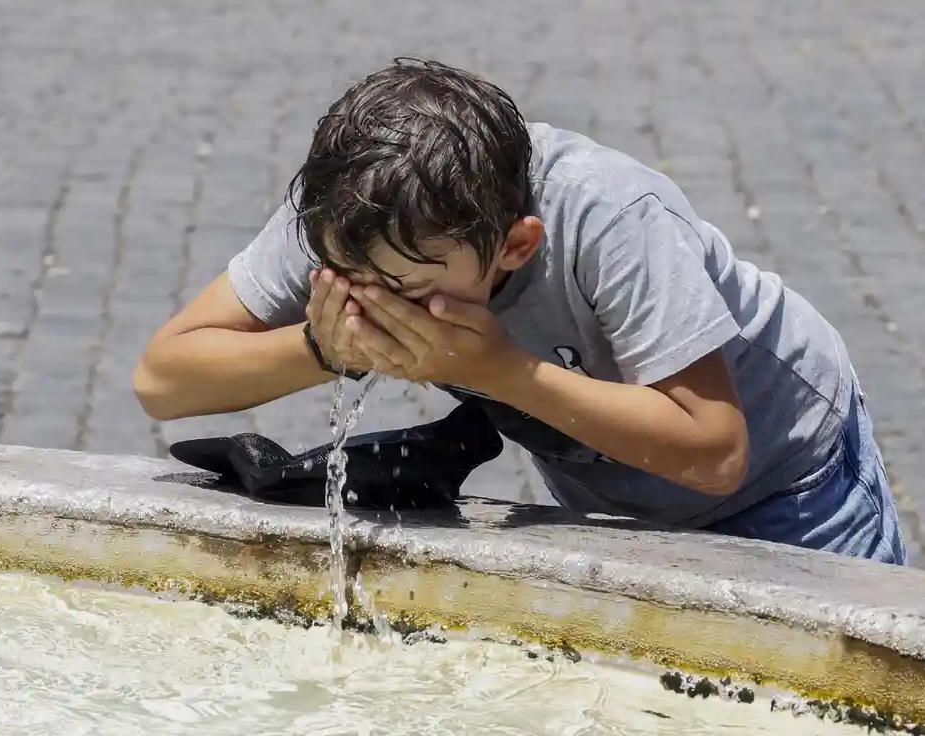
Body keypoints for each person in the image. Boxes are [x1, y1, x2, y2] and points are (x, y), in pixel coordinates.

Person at [133, 57, 907, 565]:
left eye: (405, 287)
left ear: (513, 247)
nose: (371, 299)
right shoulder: (356, 214)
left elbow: (713, 453)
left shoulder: (610, 216)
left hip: (789, 483)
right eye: (344, 273)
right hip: (614, 494)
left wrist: (500, 371)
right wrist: (322, 347)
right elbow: (162, 382)